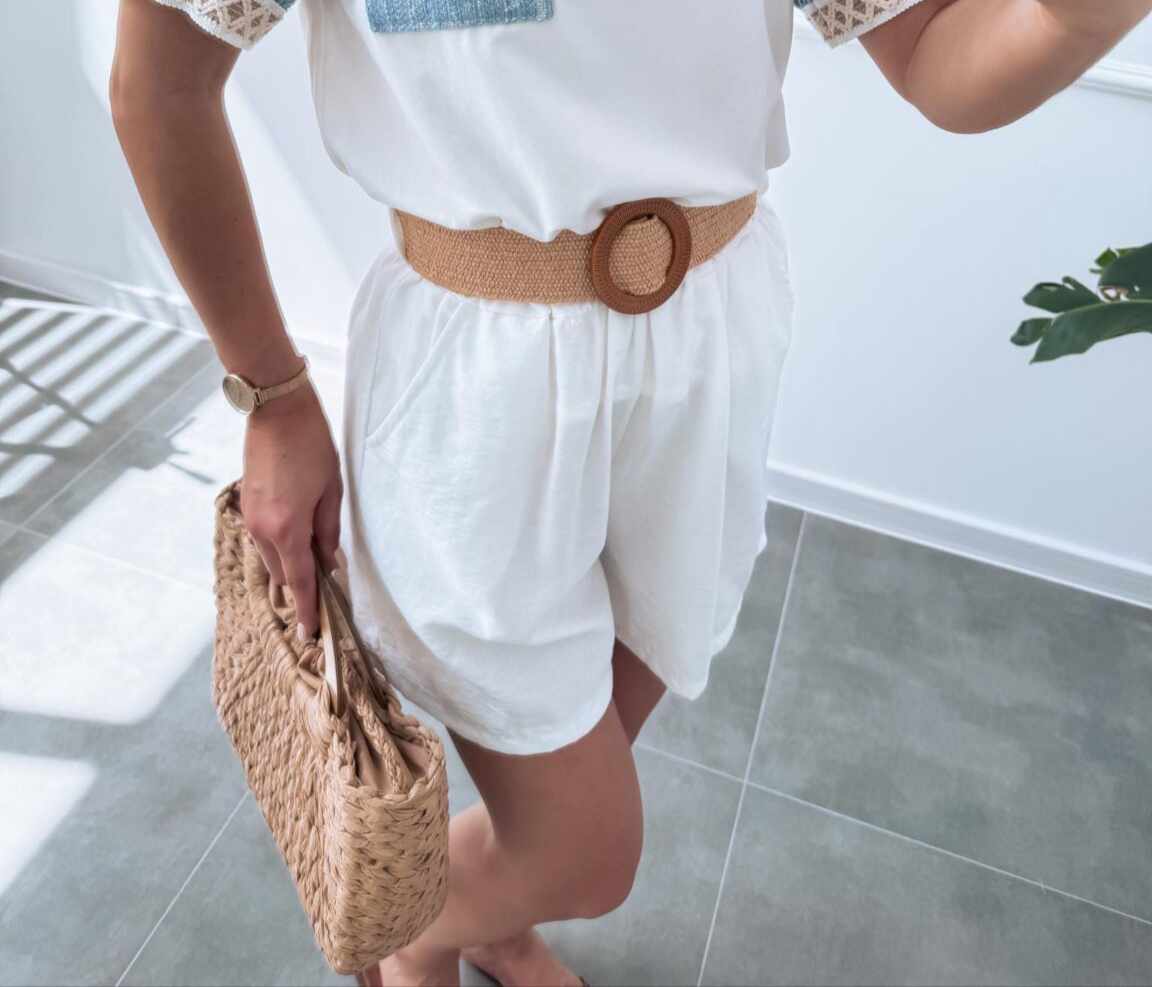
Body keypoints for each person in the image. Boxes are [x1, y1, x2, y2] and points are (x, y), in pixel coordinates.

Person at [110, 1, 1150, 984]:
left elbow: (932, 53)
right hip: (480, 383)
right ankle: (421, 925)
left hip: (711, 342)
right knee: (586, 853)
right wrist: (271, 393)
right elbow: (160, 84)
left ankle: (492, 907)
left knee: (607, 703)